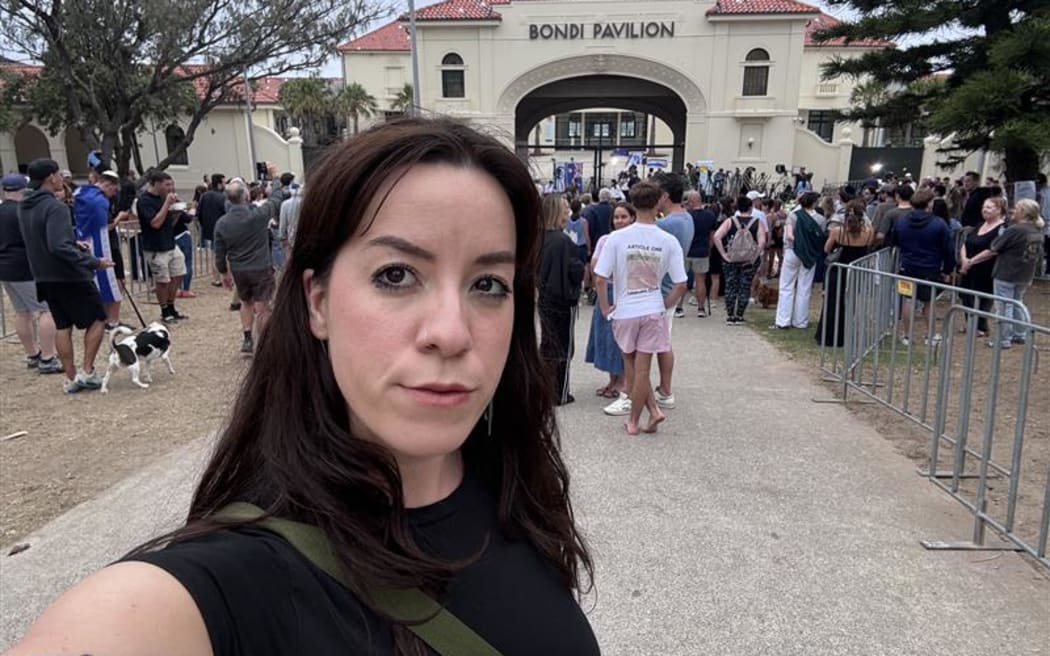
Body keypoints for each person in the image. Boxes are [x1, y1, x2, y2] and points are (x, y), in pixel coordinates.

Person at [9, 117, 598, 656]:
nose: (450, 332)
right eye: (396, 275)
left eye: (489, 284)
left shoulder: (520, 495)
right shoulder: (220, 595)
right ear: (318, 302)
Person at [593, 181, 687, 435]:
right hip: (652, 308)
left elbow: (600, 277)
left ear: (632, 204)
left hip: (625, 310)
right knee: (642, 368)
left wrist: (605, 307)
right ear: (658, 203)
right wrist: (665, 305)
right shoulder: (668, 241)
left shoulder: (616, 238)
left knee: (631, 367)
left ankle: (638, 420)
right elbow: (681, 283)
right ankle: (646, 415)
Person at [17, 158, 113, 393]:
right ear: (51, 177)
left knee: (63, 326)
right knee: (98, 319)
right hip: (69, 275)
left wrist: (72, 243)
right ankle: (88, 372)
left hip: (44, 275)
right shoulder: (55, 206)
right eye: (59, 174)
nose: (62, 178)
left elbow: (49, 240)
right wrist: (94, 262)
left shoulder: (24, 205)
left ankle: (70, 378)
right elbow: (58, 246)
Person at [960, 199, 1046, 349]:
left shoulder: (1015, 230)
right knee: (1017, 303)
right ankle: (1020, 333)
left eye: (1017, 208)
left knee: (1004, 306)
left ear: (1024, 212)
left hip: (1007, 272)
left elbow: (994, 247)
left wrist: (971, 261)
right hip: (1025, 273)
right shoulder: (1036, 230)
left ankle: (1003, 338)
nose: (1014, 210)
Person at [0, 172, 61, 373]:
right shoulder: (22, 211)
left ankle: (33, 353)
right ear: (23, 189)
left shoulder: (2, 210)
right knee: (45, 310)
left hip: (6, 267)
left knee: (22, 312)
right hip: (25, 266)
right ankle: (47, 357)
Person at [214, 180, 282, 354]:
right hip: (260, 266)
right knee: (262, 307)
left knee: (246, 302)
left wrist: (223, 273)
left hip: (239, 269)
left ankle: (247, 337)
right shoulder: (258, 215)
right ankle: (264, 343)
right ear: (245, 195)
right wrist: (275, 179)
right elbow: (276, 198)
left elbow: (219, 253)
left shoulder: (221, 223)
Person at [537, 194, 584, 406]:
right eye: (564, 209)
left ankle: (543, 387)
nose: (567, 213)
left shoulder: (538, 238)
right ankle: (560, 392)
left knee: (548, 343)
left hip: (545, 296)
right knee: (564, 347)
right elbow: (575, 271)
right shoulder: (564, 241)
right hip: (564, 299)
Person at [891, 189, 955, 345]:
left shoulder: (902, 221)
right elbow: (949, 249)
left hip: (907, 266)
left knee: (908, 300)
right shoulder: (939, 224)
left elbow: (894, 239)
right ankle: (931, 335)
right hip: (930, 268)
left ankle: (907, 335)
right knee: (929, 301)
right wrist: (948, 269)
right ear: (929, 203)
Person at [585, 201, 634, 399]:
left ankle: (622, 380)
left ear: (632, 218)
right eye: (616, 217)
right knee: (604, 336)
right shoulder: (605, 239)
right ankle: (612, 378)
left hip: (624, 291)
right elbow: (596, 264)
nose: (619, 221)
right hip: (606, 288)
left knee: (619, 338)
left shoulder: (634, 240)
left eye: (623, 216)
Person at [814, 200, 874, 347]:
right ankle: (845, 335)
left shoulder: (837, 232)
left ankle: (828, 337)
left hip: (838, 270)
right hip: (856, 272)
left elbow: (827, 249)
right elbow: (868, 247)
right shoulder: (869, 232)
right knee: (850, 303)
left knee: (832, 303)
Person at [73, 168, 126, 326]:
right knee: (116, 280)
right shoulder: (99, 201)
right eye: (114, 190)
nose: (114, 194)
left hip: (87, 242)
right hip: (105, 244)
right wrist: (119, 218)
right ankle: (113, 320)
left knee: (99, 282)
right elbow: (105, 226)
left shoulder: (82, 194)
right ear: (108, 185)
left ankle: (103, 318)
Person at [137, 171, 189, 323]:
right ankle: (164, 310)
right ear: (156, 184)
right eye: (167, 184)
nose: (170, 188)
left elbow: (168, 224)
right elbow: (155, 223)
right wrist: (167, 204)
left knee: (178, 273)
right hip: (155, 248)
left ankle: (172, 306)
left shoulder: (164, 199)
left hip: (170, 243)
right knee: (162, 281)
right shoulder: (144, 201)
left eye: (171, 184)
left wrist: (177, 213)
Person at [773, 191, 825, 330]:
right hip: (810, 255)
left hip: (793, 252)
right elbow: (821, 238)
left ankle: (783, 320)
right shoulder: (821, 219)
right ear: (815, 203)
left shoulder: (794, 216)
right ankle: (800, 321)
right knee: (804, 287)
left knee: (786, 286)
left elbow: (789, 235)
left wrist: (799, 243)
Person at [957, 197, 1007, 338]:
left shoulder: (1002, 228)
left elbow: (992, 250)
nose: (985, 209)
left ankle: (981, 326)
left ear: (999, 210)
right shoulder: (979, 225)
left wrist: (972, 261)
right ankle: (970, 323)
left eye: (989, 207)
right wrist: (964, 260)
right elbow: (966, 243)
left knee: (982, 298)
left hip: (986, 269)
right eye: (984, 206)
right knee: (966, 295)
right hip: (968, 267)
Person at [713, 195, 767, 325]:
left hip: (731, 258)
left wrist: (724, 254)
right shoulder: (757, 222)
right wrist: (755, 257)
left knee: (730, 285)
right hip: (749, 259)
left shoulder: (730, 221)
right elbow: (762, 241)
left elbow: (717, 236)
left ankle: (730, 314)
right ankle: (740, 315)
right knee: (745, 285)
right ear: (751, 207)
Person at [683, 190, 718, 317]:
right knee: (700, 281)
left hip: (686, 251)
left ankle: (679, 308)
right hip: (702, 251)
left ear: (691, 201)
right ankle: (701, 308)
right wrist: (708, 249)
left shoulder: (686, 215)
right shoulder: (710, 215)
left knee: (682, 280)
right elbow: (712, 236)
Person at [198, 174, 227, 287]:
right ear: (219, 184)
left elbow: (199, 212)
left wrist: (204, 225)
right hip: (222, 229)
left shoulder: (204, 196)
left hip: (209, 229)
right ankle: (225, 277)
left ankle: (216, 279)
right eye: (223, 183)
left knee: (214, 254)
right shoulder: (223, 197)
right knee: (225, 255)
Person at [278, 182, 303, 261]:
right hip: (305, 237)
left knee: (291, 262)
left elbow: (283, 223)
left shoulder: (285, 204)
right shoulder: (306, 202)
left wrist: (282, 236)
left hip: (291, 238)